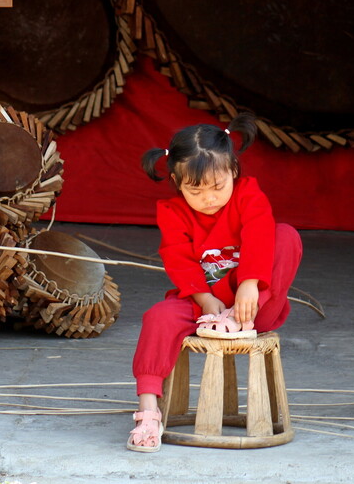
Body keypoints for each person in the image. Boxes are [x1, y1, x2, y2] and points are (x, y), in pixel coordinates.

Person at [127, 111, 303, 452]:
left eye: (218, 186)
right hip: (205, 310)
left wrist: (250, 284)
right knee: (158, 316)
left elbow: (258, 234)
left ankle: (237, 317)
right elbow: (178, 260)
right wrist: (206, 301)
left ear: (234, 172)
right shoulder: (173, 212)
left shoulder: (249, 195)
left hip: (253, 308)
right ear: (178, 184)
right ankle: (148, 410)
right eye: (196, 190)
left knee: (286, 236)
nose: (209, 198)